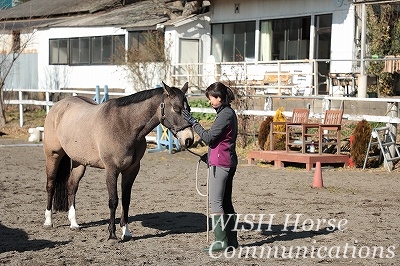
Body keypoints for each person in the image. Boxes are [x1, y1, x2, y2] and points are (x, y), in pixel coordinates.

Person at [182, 82, 239, 252]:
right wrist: (210, 155)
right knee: (226, 203)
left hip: (221, 164)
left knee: (216, 202)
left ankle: (220, 242)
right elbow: (221, 140)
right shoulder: (227, 113)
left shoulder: (225, 114)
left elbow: (208, 137)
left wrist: (193, 122)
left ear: (219, 98)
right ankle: (231, 241)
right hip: (225, 160)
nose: (210, 102)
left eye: (211, 99)